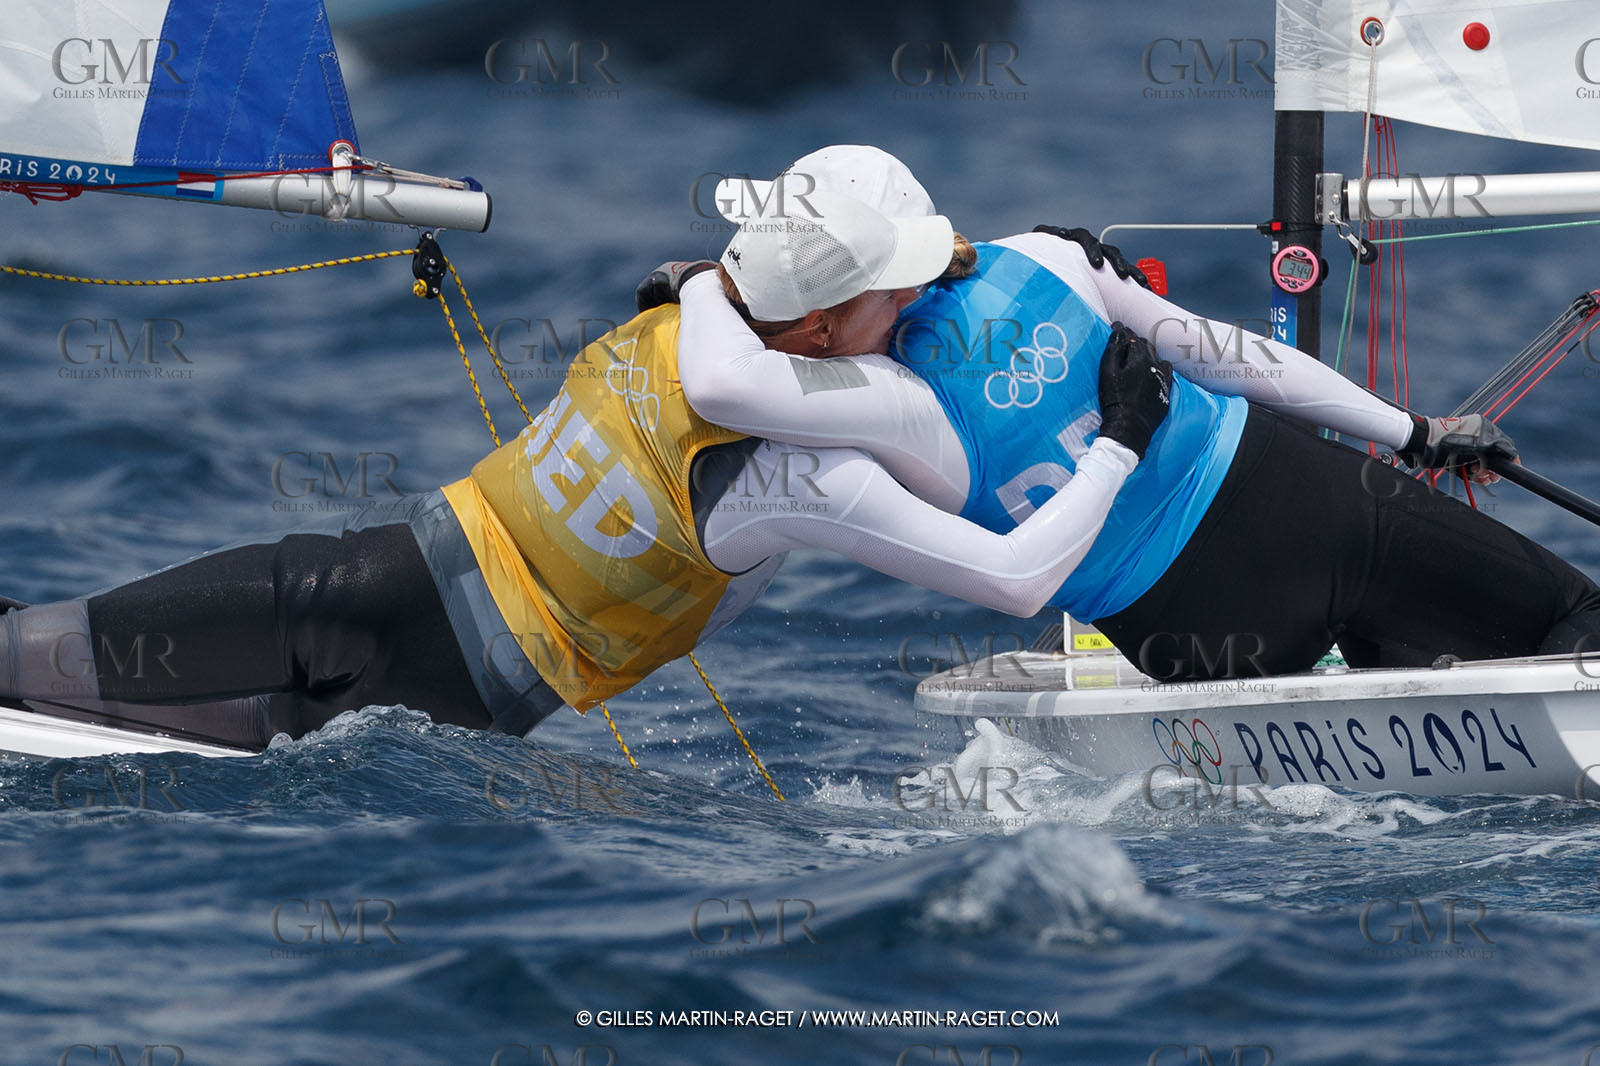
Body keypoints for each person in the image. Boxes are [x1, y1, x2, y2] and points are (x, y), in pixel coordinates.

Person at [0, 188, 1173, 751]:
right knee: (40, 675)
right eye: (898, 296)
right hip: (431, 666)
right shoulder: (782, 422)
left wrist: (1040, 257)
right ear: (814, 326)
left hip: (379, 613)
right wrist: (1116, 439)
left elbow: (788, 291)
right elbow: (1018, 574)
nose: (918, 308)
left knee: (38, 666)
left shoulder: (693, 307)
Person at [664, 145, 1600, 679]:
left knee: (1572, 620)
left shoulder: (893, 386)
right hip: (1293, 528)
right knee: (1560, 625)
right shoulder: (1023, 277)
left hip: (1260, 562)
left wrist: (1415, 432)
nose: (908, 296)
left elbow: (1229, 353)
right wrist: (1406, 435)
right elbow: (1235, 357)